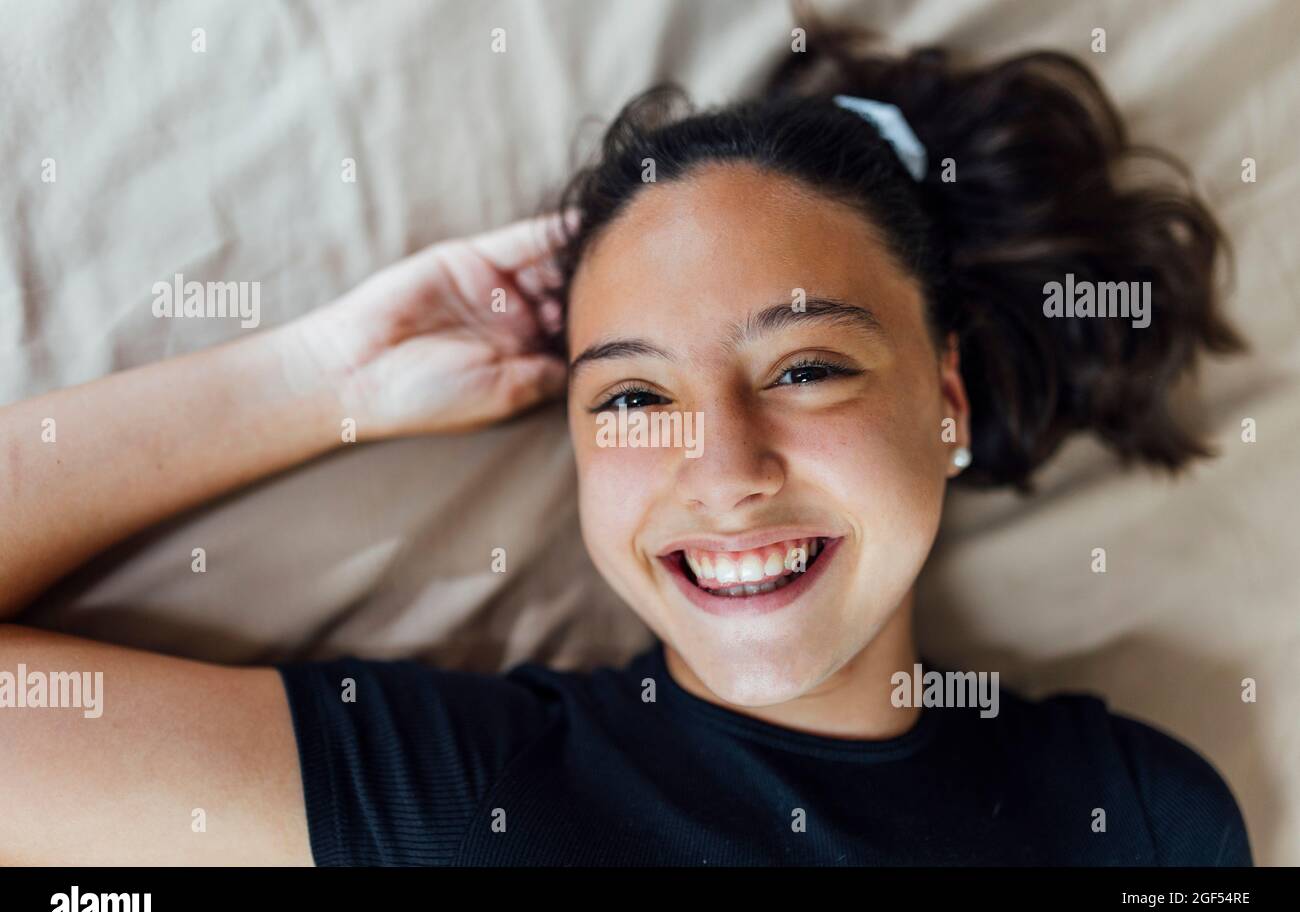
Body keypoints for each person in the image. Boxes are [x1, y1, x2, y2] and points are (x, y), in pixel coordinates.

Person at [0, 23, 1252, 866]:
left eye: (806, 367)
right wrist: (315, 378)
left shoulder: (1141, 816)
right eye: (632, 400)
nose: (721, 469)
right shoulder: (455, 793)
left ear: (947, 403)